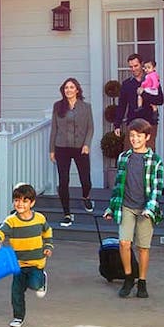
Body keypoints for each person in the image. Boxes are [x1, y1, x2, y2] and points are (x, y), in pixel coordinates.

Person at [103, 118, 164, 299]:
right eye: (132, 136)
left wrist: (150, 208)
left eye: (138, 136)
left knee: (143, 247)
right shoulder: (124, 157)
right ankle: (129, 277)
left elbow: (156, 189)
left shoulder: (155, 160)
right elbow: (118, 187)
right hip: (126, 206)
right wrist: (111, 208)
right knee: (124, 243)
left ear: (146, 137)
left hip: (146, 209)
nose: (134, 139)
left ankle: (142, 281)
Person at [0, 183, 53, 327]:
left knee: (34, 284)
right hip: (18, 264)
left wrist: (48, 246)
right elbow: (0, 232)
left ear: (32, 202)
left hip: (36, 262)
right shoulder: (11, 221)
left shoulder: (39, 218)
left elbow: (47, 232)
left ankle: (41, 281)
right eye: (17, 200)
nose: (20, 204)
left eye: (25, 200)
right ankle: (18, 317)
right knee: (16, 293)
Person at [49, 77, 94, 227]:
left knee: (85, 179)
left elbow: (90, 128)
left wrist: (86, 144)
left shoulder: (86, 107)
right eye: (66, 87)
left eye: (71, 87)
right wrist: (52, 150)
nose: (68, 90)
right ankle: (67, 213)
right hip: (61, 147)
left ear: (77, 90)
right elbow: (54, 128)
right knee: (63, 181)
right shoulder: (58, 106)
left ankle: (86, 197)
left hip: (80, 147)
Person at [116, 53, 163, 150]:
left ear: (142, 64)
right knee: (129, 153)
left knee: (147, 154)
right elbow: (122, 105)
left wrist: (143, 94)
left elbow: (160, 100)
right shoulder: (127, 84)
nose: (133, 69)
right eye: (131, 67)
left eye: (136, 66)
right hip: (132, 122)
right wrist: (117, 124)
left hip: (149, 122)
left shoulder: (152, 80)